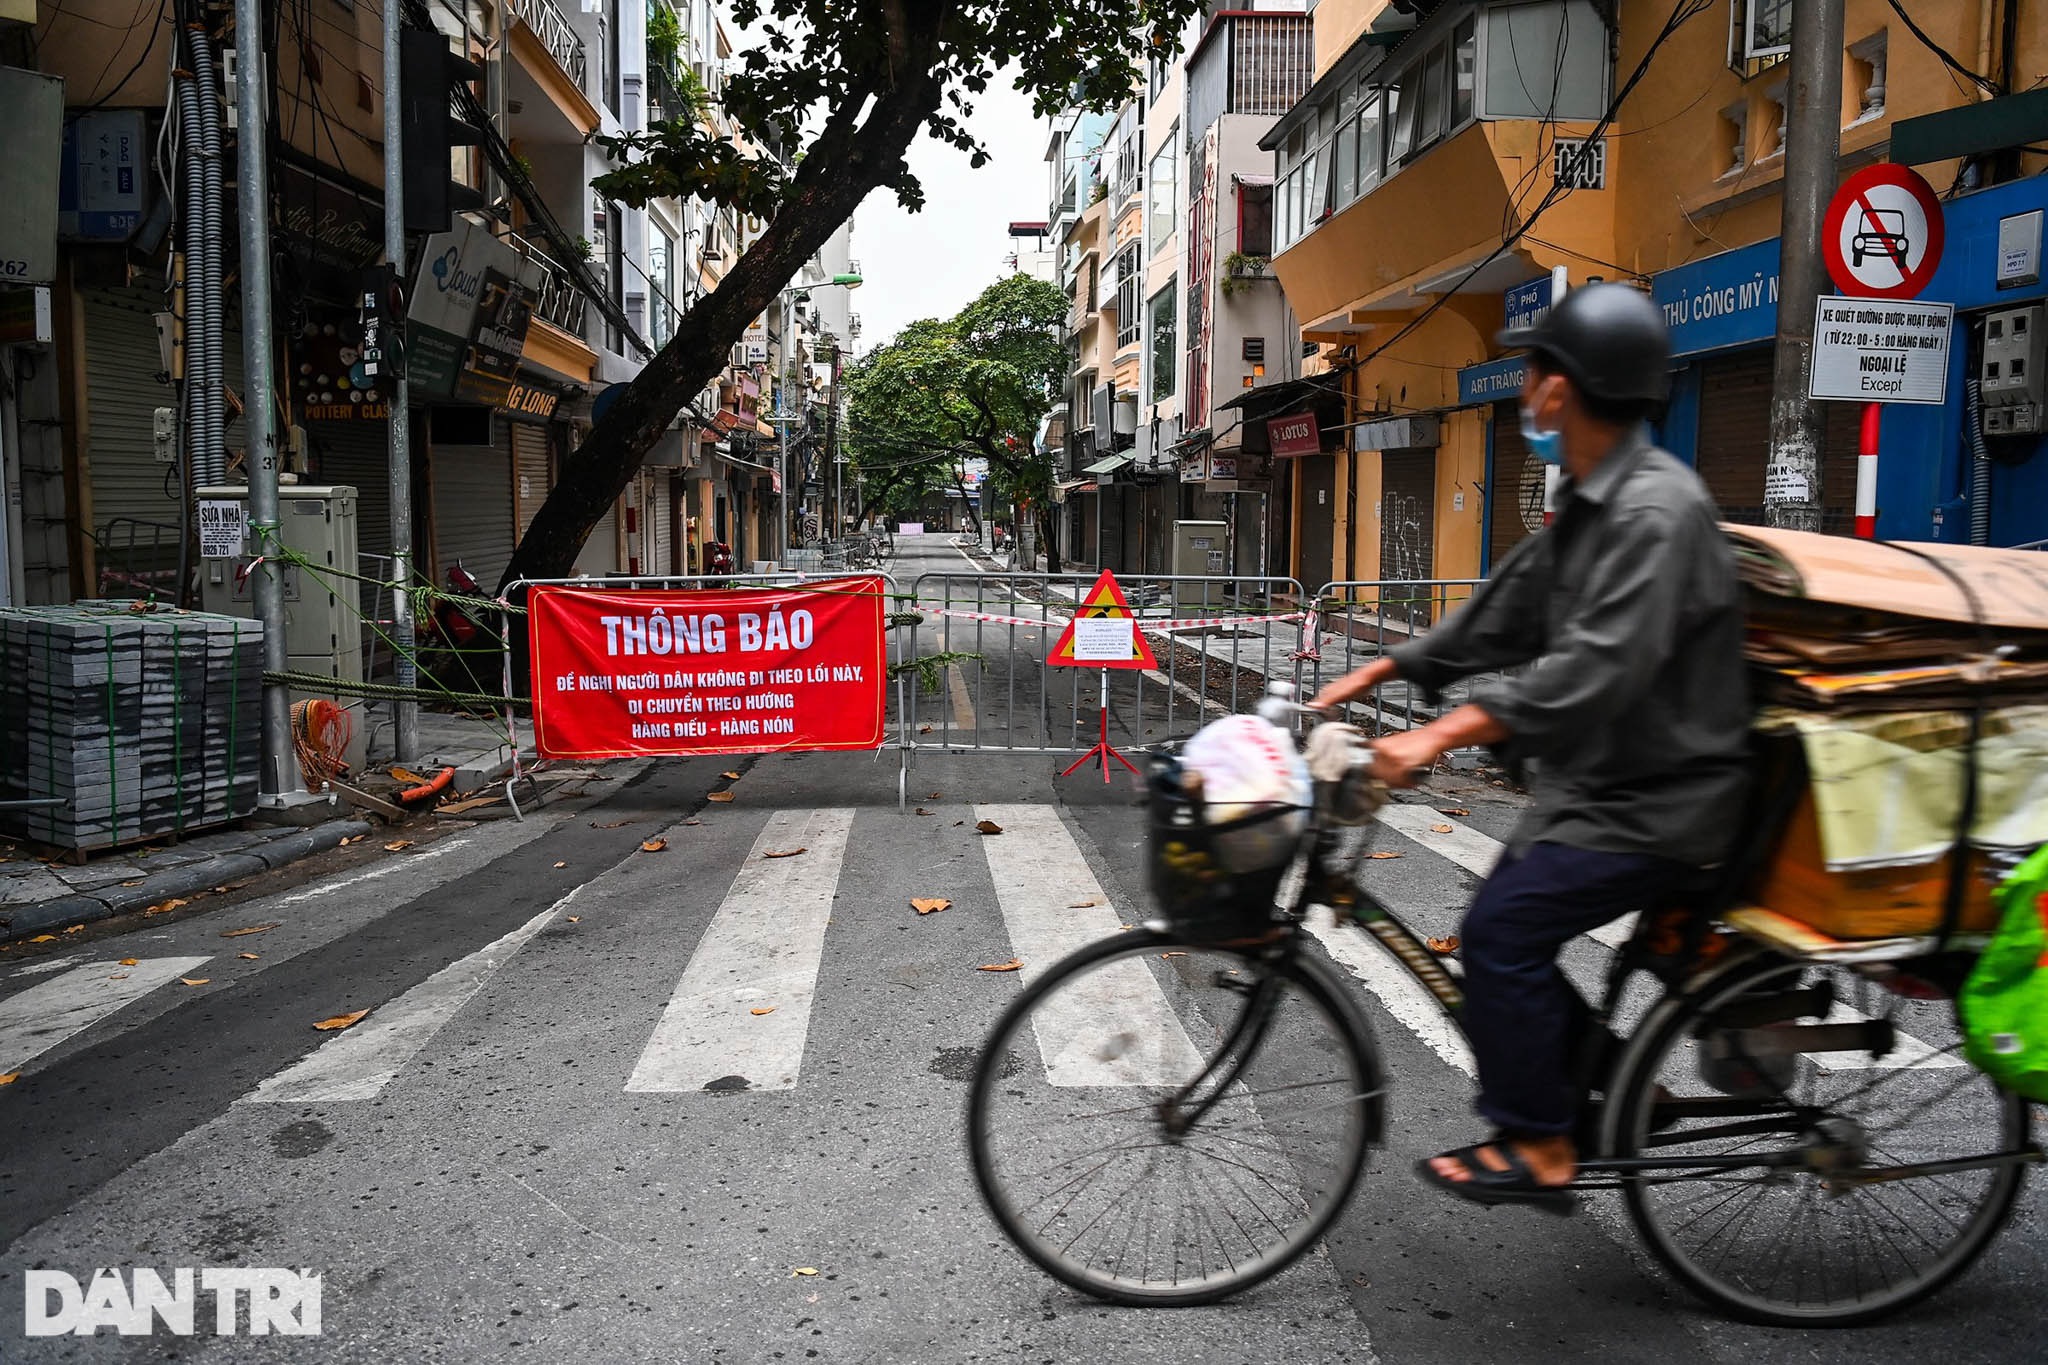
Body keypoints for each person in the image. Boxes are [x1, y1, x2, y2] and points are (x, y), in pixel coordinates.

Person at [1311, 283, 1751, 1213]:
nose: (1525, 388)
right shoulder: (1599, 498)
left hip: (1663, 796)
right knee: (1512, 925)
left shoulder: (1654, 513)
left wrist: (1442, 732)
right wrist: (1381, 671)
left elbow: (1594, 669)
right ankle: (1634, 1086)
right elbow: (1509, 610)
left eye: (1537, 370)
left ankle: (1539, 1141)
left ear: (1567, 388)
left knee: (1501, 932)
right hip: (1608, 782)